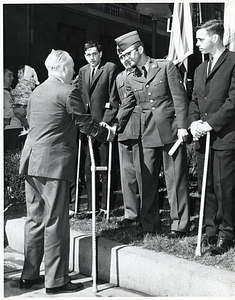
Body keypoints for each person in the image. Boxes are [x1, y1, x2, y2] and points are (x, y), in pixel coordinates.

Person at [19, 49, 115, 294]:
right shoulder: (67, 91)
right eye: (72, 68)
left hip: (32, 161)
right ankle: (56, 280)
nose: (73, 73)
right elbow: (83, 122)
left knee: (34, 220)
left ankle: (29, 275)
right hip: (54, 164)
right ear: (62, 68)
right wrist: (107, 134)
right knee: (56, 222)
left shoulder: (37, 91)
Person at [114, 31, 190, 237]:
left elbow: (179, 99)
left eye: (129, 53)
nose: (127, 58)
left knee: (175, 179)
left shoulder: (166, 67)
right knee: (147, 180)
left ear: (140, 49)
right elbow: (128, 104)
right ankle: (149, 224)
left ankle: (179, 225)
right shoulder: (131, 77)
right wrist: (114, 126)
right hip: (147, 134)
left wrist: (183, 126)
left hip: (171, 131)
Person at [189, 20, 235, 255]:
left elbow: (234, 101)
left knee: (223, 188)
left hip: (224, 137)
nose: (197, 44)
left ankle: (226, 234)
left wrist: (210, 124)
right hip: (203, 137)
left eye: (201, 39)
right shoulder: (200, 69)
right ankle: (209, 232)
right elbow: (194, 101)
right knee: (206, 186)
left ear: (215, 38)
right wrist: (194, 122)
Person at [71, 41, 119, 220]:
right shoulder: (83, 71)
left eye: (94, 54)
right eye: (88, 55)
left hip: (103, 126)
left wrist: (106, 122)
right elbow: (79, 96)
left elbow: (114, 98)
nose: (91, 58)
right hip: (87, 126)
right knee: (88, 167)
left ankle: (107, 207)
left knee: (106, 166)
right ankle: (92, 207)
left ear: (100, 54)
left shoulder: (109, 68)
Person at [115, 46, 142, 227]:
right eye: (120, 56)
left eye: (126, 55)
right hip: (123, 130)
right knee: (127, 175)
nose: (124, 59)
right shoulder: (119, 77)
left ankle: (146, 213)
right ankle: (130, 213)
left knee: (143, 174)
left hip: (141, 129)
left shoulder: (142, 74)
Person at [11, 65, 40, 134]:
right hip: (25, 105)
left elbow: (17, 91)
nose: (18, 74)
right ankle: (27, 129)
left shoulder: (22, 83)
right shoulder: (29, 83)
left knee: (20, 116)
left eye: (20, 73)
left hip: (21, 104)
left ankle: (27, 129)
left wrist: (12, 92)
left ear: (26, 74)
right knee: (24, 119)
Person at [3, 68, 23, 150]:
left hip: (21, 129)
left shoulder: (14, 92)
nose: (13, 78)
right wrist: (15, 110)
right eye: (9, 75)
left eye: (13, 75)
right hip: (9, 130)